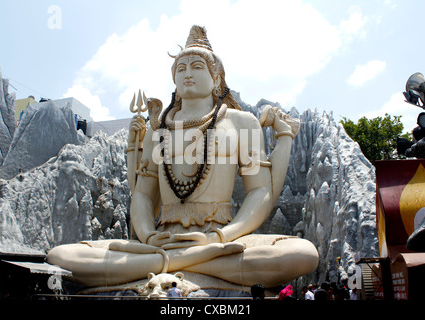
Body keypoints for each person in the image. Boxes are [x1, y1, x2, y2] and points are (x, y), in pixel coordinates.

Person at [46, 25, 318, 289]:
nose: (187, 73)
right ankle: (189, 262)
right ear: (174, 78)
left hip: (220, 238)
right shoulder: (158, 128)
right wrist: (150, 235)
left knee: (302, 253)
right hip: (163, 239)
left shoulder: (241, 122)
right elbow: (142, 195)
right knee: (61, 256)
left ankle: (165, 264)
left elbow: (260, 192)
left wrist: (218, 237)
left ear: (217, 79)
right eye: (181, 68)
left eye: (197, 67)